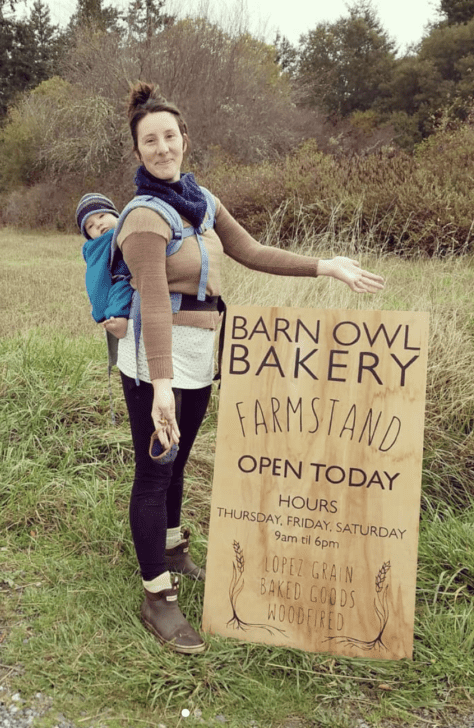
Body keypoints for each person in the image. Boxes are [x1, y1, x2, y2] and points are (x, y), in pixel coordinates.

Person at [114, 82, 386, 654]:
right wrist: (160, 386)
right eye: (150, 141)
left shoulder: (200, 200)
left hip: (199, 354)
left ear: (185, 140)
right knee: (154, 471)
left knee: (181, 458)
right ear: (137, 151)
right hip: (153, 360)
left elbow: (252, 250)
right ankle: (156, 595)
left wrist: (325, 267)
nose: (162, 148)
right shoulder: (143, 217)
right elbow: (156, 305)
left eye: (170, 136)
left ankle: (171, 547)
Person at [76, 192, 130, 339]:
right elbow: (96, 280)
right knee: (120, 290)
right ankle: (118, 319)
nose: (98, 224)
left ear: (116, 215)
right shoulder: (99, 245)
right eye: (90, 226)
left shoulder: (130, 225)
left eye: (101, 216)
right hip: (123, 279)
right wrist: (100, 310)